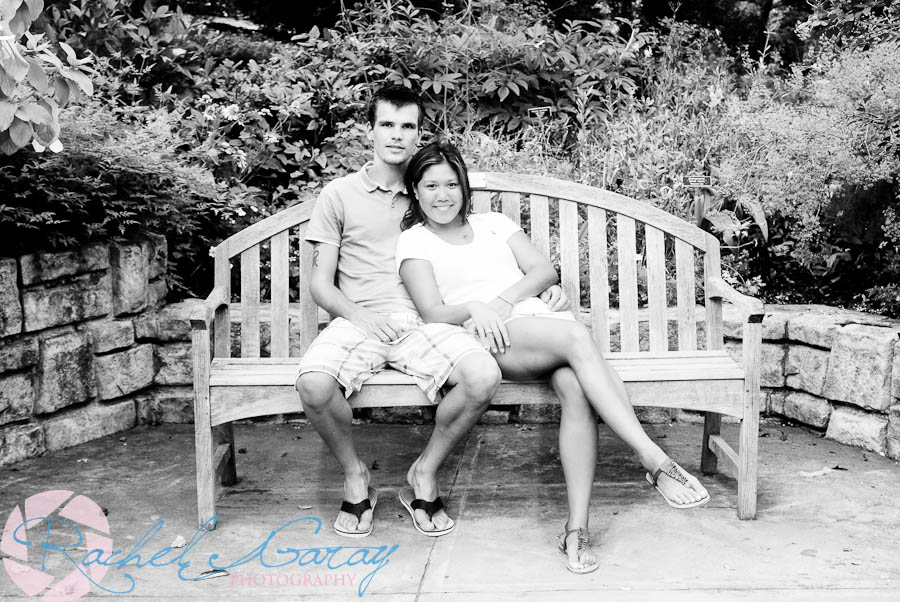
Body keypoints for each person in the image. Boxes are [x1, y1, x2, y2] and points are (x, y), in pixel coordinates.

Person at [396, 139, 711, 573]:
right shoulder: (415, 241)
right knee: (578, 339)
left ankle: (576, 531)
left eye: (452, 184)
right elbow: (432, 310)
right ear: (415, 190)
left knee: (578, 390)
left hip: (538, 325)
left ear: (465, 187)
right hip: (489, 336)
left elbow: (544, 271)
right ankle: (651, 458)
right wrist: (479, 308)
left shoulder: (494, 224)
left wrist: (508, 297)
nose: (443, 195)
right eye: (431, 185)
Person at [294, 85, 567, 539]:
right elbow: (320, 283)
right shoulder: (339, 194)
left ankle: (424, 472)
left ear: (419, 133)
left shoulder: (431, 187)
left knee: (483, 377)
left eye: (407, 126)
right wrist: (361, 316)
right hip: (360, 320)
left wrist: (537, 294)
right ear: (370, 130)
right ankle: (355, 475)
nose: (397, 136)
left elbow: (484, 253)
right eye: (387, 125)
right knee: (313, 385)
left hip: (428, 321)